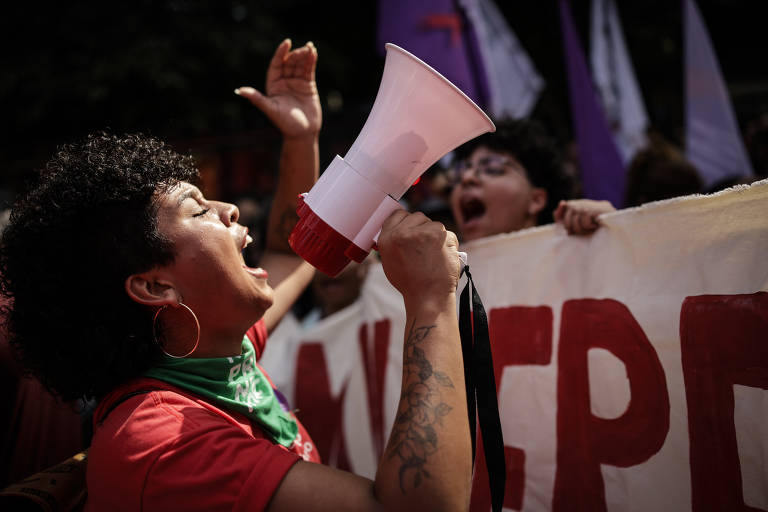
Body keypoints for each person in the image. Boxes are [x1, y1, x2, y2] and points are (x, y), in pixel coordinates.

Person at [0, 39, 472, 512]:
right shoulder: (161, 443)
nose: (228, 209)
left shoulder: (215, 354)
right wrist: (431, 298)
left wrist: (300, 138)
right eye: (198, 209)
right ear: (156, 286)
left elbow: (290, 256)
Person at [448, 118, 615, 240]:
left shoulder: (577, 253)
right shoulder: (445, 277)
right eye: (459, 172)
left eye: (492, 169)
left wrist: (612, 225)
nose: (466, 177)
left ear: (536, 200)